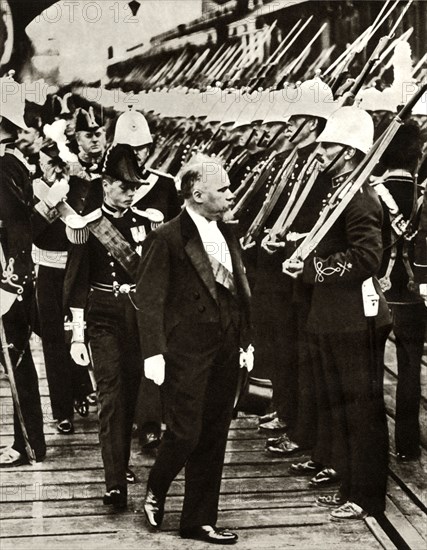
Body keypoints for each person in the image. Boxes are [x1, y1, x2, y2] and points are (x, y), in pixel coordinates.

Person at [136, 158, 253, 544]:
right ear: (198, 194)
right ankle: (157, 485)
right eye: (224, 189)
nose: (231, 193)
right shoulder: (167, 237)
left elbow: (239, 291)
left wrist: (247, 341)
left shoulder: (228, 232)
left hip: (226, 348)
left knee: (215, 434)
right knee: (186, 433)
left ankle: (199, 520)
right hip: (186, 353)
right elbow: (149, 299)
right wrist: (153, 352)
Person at [284, 106, 391, 519]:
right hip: (333, 315)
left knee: (361, 408)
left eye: (327, 145)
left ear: (348, 152)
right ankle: (350, 485)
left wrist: (312, 269)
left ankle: (366, 497)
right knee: (342, 405)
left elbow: (367, 258)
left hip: (355, 318)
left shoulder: (361, 196)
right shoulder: (342, 189)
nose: (319, 150)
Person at [64, 144, 162, 508]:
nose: (130, 192)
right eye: (123, 186)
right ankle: (115, 482)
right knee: (111, 397)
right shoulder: (87, 227)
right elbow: (76, 284)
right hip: (103, 317)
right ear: (105, 185)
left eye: (134, 187)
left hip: (139, 317)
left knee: (136, 394)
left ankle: (122, 466)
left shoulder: (147, 221)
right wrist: (77, 333)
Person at [112, 109, 182, 449]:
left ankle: (152, 422)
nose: (139, 155)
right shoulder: (107, 185)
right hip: (118, 287)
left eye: (143, 148)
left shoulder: (165, 185)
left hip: (154, 282)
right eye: (131, 148)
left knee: (153, 350)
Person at [0, 76, 46, 467]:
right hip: (15, 277)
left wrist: (11, 281)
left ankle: (27, 441)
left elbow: (17, 226)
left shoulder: (4, 167)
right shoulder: (12, 163)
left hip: (7, 280)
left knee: (15, 358)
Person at [33, 141, 93, 435]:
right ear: (38, 165)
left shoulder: (81, 186)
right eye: (47, 164)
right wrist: (50, 202)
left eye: (58, 163)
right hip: (47, 271)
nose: (54, 169)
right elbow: (32, 230)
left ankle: (82, 388)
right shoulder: (32, 190)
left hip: (78, 271)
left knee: (80, 333)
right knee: (53, 338)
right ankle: (62, 410)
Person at [375, 121, 426, 461]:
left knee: (369, 369)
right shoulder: (422, 197)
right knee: (409, 368)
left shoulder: (371, 192)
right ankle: (407, 445)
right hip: (410, 293)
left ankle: (373, 444)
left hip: (375, 289)